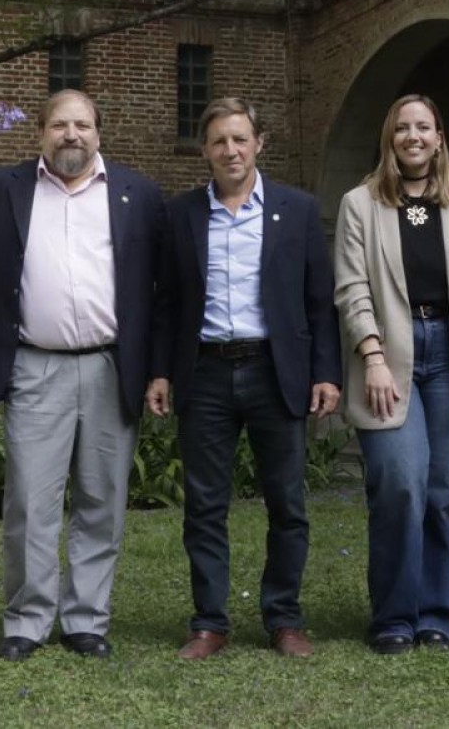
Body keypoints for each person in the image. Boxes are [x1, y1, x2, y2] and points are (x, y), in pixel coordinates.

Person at [0, 89, 165, 661]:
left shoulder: (138, 193)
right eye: (60, 125)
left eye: (83, 125)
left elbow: (165, 288)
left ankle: (86, 620)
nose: (71, 135)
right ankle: (26, 620)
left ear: (99, 132)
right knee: (30, 500)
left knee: (102, 498)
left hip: (110, 365)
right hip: (34, 364)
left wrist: (159, 369)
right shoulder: (4, 188)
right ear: (41, 132)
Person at [147, 97, 341, 661]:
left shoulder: (297, 210)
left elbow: (318, 303)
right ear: (204, 150)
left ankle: (284, 619)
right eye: (218, 141)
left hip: (275, 370)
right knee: (205, 505)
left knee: (287, 503)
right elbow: (167, 303)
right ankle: (210, 622)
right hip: (204, 372)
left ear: (259, 143)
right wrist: (159, 371)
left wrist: (326, 371)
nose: (230, 150)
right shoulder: (180, 215)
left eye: (240, 139)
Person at [333, 95, 449, 655]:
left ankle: (439, 614)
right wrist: (372, 355)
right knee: (399, 484)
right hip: (389, 354)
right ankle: (395, 615)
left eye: (424, 126)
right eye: (403, 127)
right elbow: (351, 285)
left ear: (440, 137)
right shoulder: (360, 203)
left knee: (443, 493)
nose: (413, 136)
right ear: (389, 137)